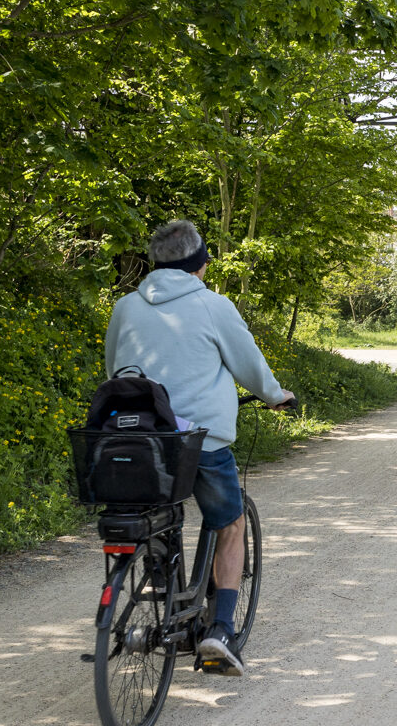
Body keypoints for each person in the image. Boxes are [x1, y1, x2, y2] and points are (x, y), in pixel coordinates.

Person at [104, 220, 292, 677]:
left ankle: (160, 587)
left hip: (136, 439)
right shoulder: (213, 305)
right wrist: (276, 396)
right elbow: (249, 364)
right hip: (199, 442)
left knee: (155, 513)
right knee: (230, 522)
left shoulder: (125, 307)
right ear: (197, 265)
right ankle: (220, 631)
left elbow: (114, 372)